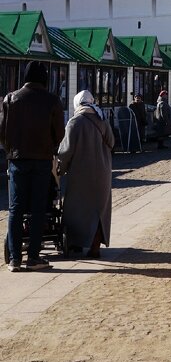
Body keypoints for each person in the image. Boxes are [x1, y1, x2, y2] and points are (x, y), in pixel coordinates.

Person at [0, 61, 65, 272]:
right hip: (41, 159)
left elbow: (2, 131)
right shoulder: (52, 101)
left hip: (17, 159)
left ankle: (15, 258)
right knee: (38, 209)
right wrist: (50, 147)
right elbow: (60, 132)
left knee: (15, 208)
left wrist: (11, 150)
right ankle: (34, 257)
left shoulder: (10, 98)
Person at [57, 90, 115, 259]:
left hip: (81, 173)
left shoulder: (74, 122)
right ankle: (95, 246)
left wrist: (61, 169)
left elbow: (65, 151)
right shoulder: (102, 119)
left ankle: (75, 243)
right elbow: (111, 142)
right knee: (98, 211)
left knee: (76, 209)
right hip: (103, 172)